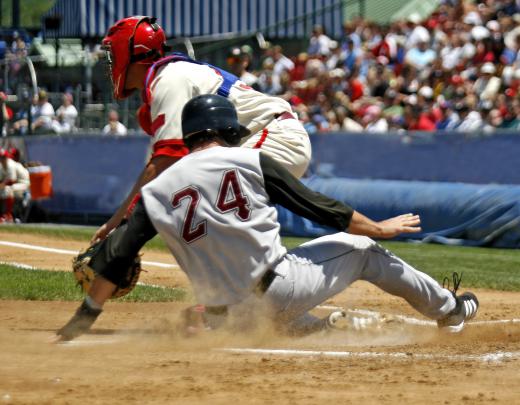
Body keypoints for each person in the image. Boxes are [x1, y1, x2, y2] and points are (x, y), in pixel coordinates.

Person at [55, 94, 479, 341]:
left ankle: (326, 327)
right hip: (277, 289)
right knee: (365, 251)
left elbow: (117, 254)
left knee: (273, 321)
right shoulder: (249, 159)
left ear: (189, 138)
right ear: (226, 131)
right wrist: (378, 228)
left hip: (226, 317)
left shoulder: (155, 191)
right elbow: (319, 207)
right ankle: (451, 311)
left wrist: (87, 314)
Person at [92, 16, 311, 244]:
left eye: (113, 53)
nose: (110, 62)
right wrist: (121, 220)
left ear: (132, 52)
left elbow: (165, 162)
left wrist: (121, 226)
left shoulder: (168, 79)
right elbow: (157, 167)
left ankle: (279, 270)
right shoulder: (166, 79)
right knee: (192, 213)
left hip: (273, 137)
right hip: (263, 139)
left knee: (199, 209)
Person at [0, 148, 30, 222]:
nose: (2, 158)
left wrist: (1, 185)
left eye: (3, 157)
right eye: (1, 157)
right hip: (16, 184)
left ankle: (8, 215)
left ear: (7, 156)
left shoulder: (10, 164)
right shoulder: (1, 165)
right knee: (4, 190)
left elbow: (11, 181)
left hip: (24, 184)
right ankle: (2, 215)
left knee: (8, 189)